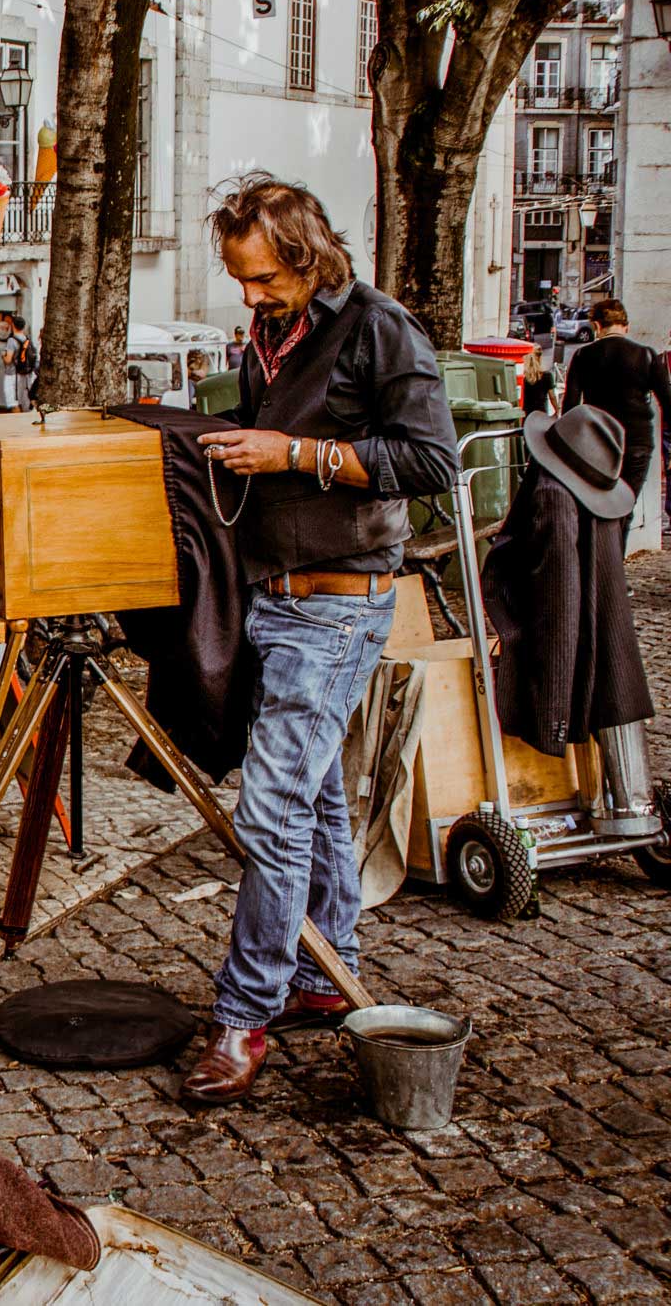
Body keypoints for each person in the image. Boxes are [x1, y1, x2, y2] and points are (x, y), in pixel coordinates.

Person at [187, 172, 457, 1105]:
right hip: (276, 593)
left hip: (341, 602)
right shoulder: (272, 331)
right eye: (241, 281)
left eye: (262, 279)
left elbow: (431, 460)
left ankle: (244, 1012)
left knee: (270, 808)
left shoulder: (381, 325)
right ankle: (322, 969)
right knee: (313, 796)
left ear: (308, 255)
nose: (250, 298)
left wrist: (294, 454)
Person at [558, 298, 669, 529]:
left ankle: (595, 560)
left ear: (597, 326)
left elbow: (570, 407)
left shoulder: (582, 356)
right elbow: (668, 403)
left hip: (597, 442)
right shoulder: (646, 355)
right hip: (636, 442)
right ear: (626, 327)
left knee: (594, 508)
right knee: (624, 507)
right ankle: (614, 560)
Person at [12, 315, 38, 412]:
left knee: (19, 394)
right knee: (27, 390)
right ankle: (28, 409)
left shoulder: (13, 340)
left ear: (13, 326)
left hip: (20, 371)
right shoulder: (27, 340)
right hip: (29, 370)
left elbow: (10, 358)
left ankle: (24, 411)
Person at [521, 344, 555, 418]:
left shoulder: (524, 378)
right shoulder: (547, 375)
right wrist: (557, 411)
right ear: (540, 358)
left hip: (527, 416)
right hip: (541, 415)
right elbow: (552, 397)